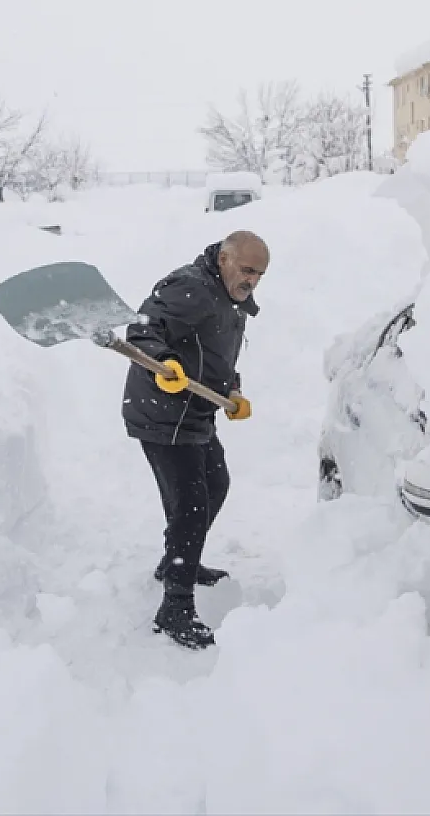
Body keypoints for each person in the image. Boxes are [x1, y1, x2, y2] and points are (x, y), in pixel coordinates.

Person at [122, 230, 268, 648]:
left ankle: (177, 563)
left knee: (215, 485)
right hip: (162, 414)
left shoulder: (231, 299)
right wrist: (162, 364)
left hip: (196, 412)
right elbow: (142, 330)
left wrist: (233, 390)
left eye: (259, 273)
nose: (253, 280)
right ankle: (175, 607)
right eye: (246, 269)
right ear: (223, 258)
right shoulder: (188, 286)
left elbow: (218, 355)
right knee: (191, 501)